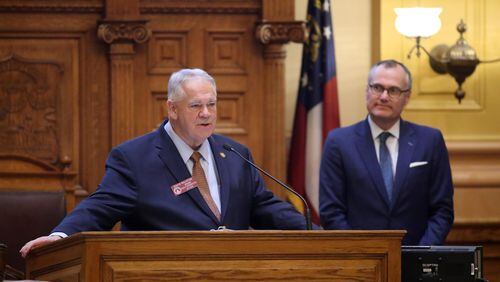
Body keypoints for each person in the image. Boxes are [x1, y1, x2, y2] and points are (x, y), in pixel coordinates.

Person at [21, 68, 307, 257]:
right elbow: (100, 207)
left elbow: (263, 206)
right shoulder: (133, 158)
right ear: (172, 108)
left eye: (212, 104)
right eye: (196, 106)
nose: (207, 114)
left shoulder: (234, 152)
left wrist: (318, 233)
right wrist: (60, 236)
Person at [319, 59, 454, 245]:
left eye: (393, 90)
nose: (383, 96)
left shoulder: (430, 141)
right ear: (367, 91)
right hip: (361, 261)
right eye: (377, 87)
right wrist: (366, 255)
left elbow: (442, 210)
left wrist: (421, 254)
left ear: (407, 97)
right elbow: (331, 212)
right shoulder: (339, 142)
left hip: (416, 260)